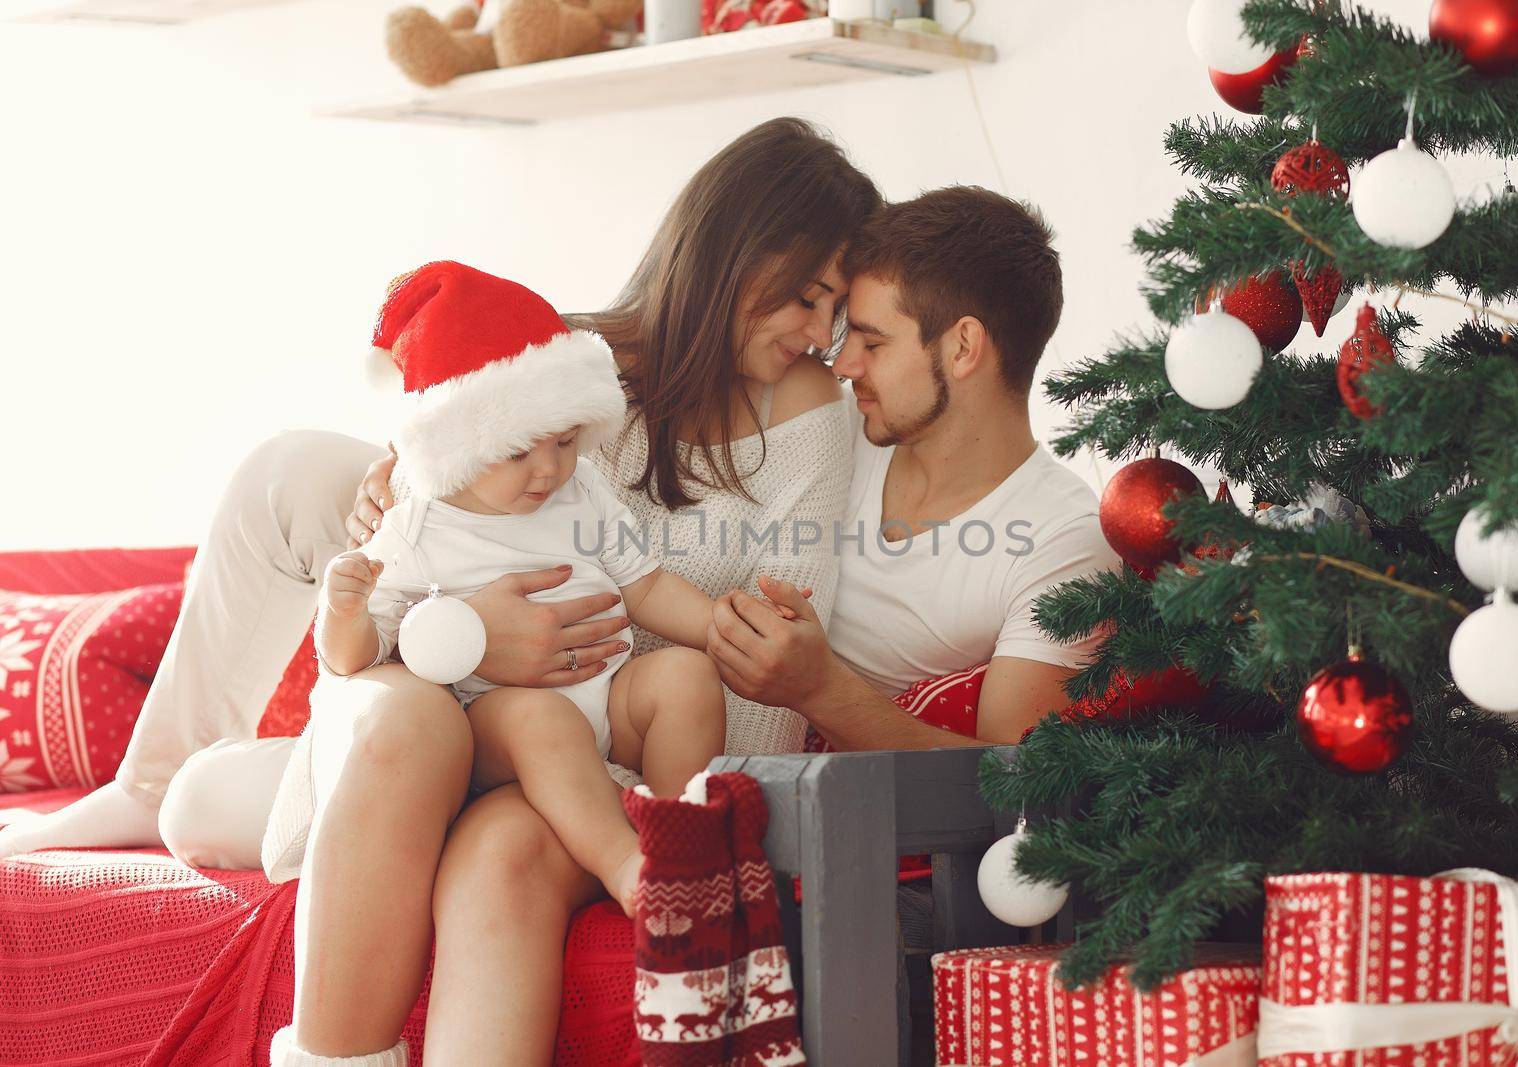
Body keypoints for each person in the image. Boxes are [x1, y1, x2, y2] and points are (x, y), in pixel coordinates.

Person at [0, 117, 876, 1066]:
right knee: (284, 492)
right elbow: (428, 547)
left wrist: (648, 774)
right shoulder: (555, 369)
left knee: (410, 802)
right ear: (743, 254)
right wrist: (444, 604)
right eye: (810, 297)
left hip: (586, 738)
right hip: (444, 693)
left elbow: (752, 663)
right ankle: (151, 779)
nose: (822, 335)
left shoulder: (809, 421)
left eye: (840, 314)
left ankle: (186, 784)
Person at [264, 260, 795, 932]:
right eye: (519, 451)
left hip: (607, 703)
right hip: (496, 724)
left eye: (567, 440)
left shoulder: (582, 493)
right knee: (542, 722)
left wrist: (721, 622)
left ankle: (682, 842)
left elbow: (648, 585)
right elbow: (356, 658)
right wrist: (341, 610)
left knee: (686, 675)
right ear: (458, 441)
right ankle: (627, 866)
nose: (549, 468)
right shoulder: (417, 529)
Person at [707, 186, 1120, 751]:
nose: (843, 364)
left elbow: (1021, 781)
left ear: (963, 347)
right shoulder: (832, 426)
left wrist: (820, 690)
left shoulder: (1063, 539)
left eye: (872, 343)